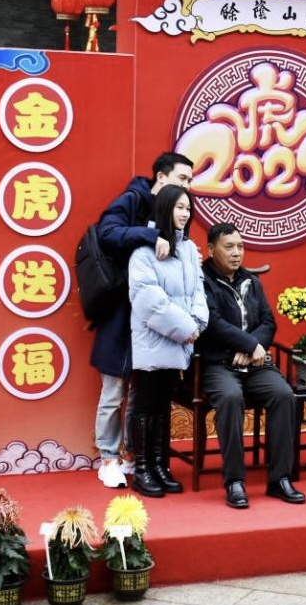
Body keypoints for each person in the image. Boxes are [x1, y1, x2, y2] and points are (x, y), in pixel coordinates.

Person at [91, 152, 193, 489]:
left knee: (141, 391)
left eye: (190, 182)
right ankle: (108, 458)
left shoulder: (177, 214)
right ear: (161, 177)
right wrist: (150, 236)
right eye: (182, 178)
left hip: (152, 323)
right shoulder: (133, 199)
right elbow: (108, 233)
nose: (187, 187)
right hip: (120, 312)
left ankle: (133, 456)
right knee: (114, 389)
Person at [196, 223, 306, 508]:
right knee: (231, 398)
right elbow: (211, 322)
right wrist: (249, 345)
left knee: (284, 395)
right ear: (211, 249)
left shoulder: (251, 281)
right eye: (229, 247)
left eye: (240, 247)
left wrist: (252, 347)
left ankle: (279, 479)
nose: (236, 253)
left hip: (255, 363)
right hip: (218, 364)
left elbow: (268, 322)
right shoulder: (200, 280)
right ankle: (235, 481)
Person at [127, 184, 208, 498]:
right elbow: (149, 301)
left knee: (163, 405)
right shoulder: (143, 253)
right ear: (164, 208)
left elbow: (198, 291)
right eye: (179, 207)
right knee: (146, 405)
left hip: (180, 342)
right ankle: (143, 469)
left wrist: (197, 323)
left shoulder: (188, 249)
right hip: (153, 341)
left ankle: (161, 466)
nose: (185, 214)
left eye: (188, 208)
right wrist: (186, 328)